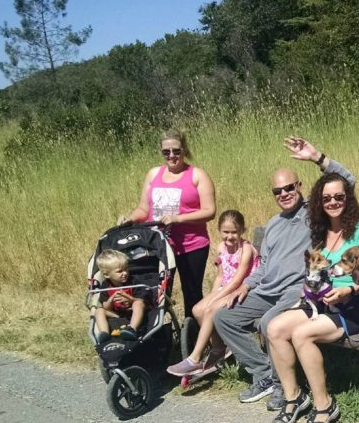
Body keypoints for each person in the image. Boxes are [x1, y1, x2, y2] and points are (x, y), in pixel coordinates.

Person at [213, 137, 356, 410]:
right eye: (277, 191)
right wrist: (246, 285)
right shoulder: (273, 224)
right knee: (224, 317)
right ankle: (264, 373)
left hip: (296, 289)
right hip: (266, 289)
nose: (284, 195)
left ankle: (283, 386)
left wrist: (317, 157)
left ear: (299, 186)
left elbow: (347, 182)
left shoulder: (314, 214)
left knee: (269, 324)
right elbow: (264, 264)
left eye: (289, 188)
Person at [264, 172, 359, 423]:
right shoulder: (319, 230)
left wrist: (349, 289)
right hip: (322, 301)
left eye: (339, 196)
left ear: (347, 198)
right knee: (275, 328)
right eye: (327, 198)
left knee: (302, 334)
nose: (333, 202)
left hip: (356, 305)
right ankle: (294, 397)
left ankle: (324, 405)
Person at [119, 129, 216, 320]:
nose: (172, 156)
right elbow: (143, 209)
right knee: (157, 292)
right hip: (157, 245)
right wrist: (130, 219)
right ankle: (156, 333)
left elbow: (210, 211)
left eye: (176, 151)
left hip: (191, 245)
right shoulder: (154, 174)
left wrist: (178, 218)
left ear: (184, 149)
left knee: (192, 293)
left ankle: (195, 335)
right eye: (166, 152)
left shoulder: (197, 175)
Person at [166, 210, 259, 377]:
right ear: (219, 230)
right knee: (197, 309)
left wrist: (215, 299)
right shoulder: (221, 248)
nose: (229, 236)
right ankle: (219, 348)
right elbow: (220, 276)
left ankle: (194, 359)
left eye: (234, 232)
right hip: (226, 287)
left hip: (244, 289)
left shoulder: (246, 249)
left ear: (242, 230)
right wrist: (213, 294)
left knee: (210, 309)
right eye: (226, 232)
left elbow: (238, 280)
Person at [92, 249, 150, 343]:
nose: (125, 273)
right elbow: (106, 308)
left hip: (134, 312)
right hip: (117, 314)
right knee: (99, 310)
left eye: (126, 269)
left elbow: (143, 301)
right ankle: (104, 334)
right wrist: (111, 300)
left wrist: (129, 298)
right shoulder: (106, 286)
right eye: (120, 271)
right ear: (106, 275)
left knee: (138, 303)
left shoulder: (134, 281)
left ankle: (132, 329)